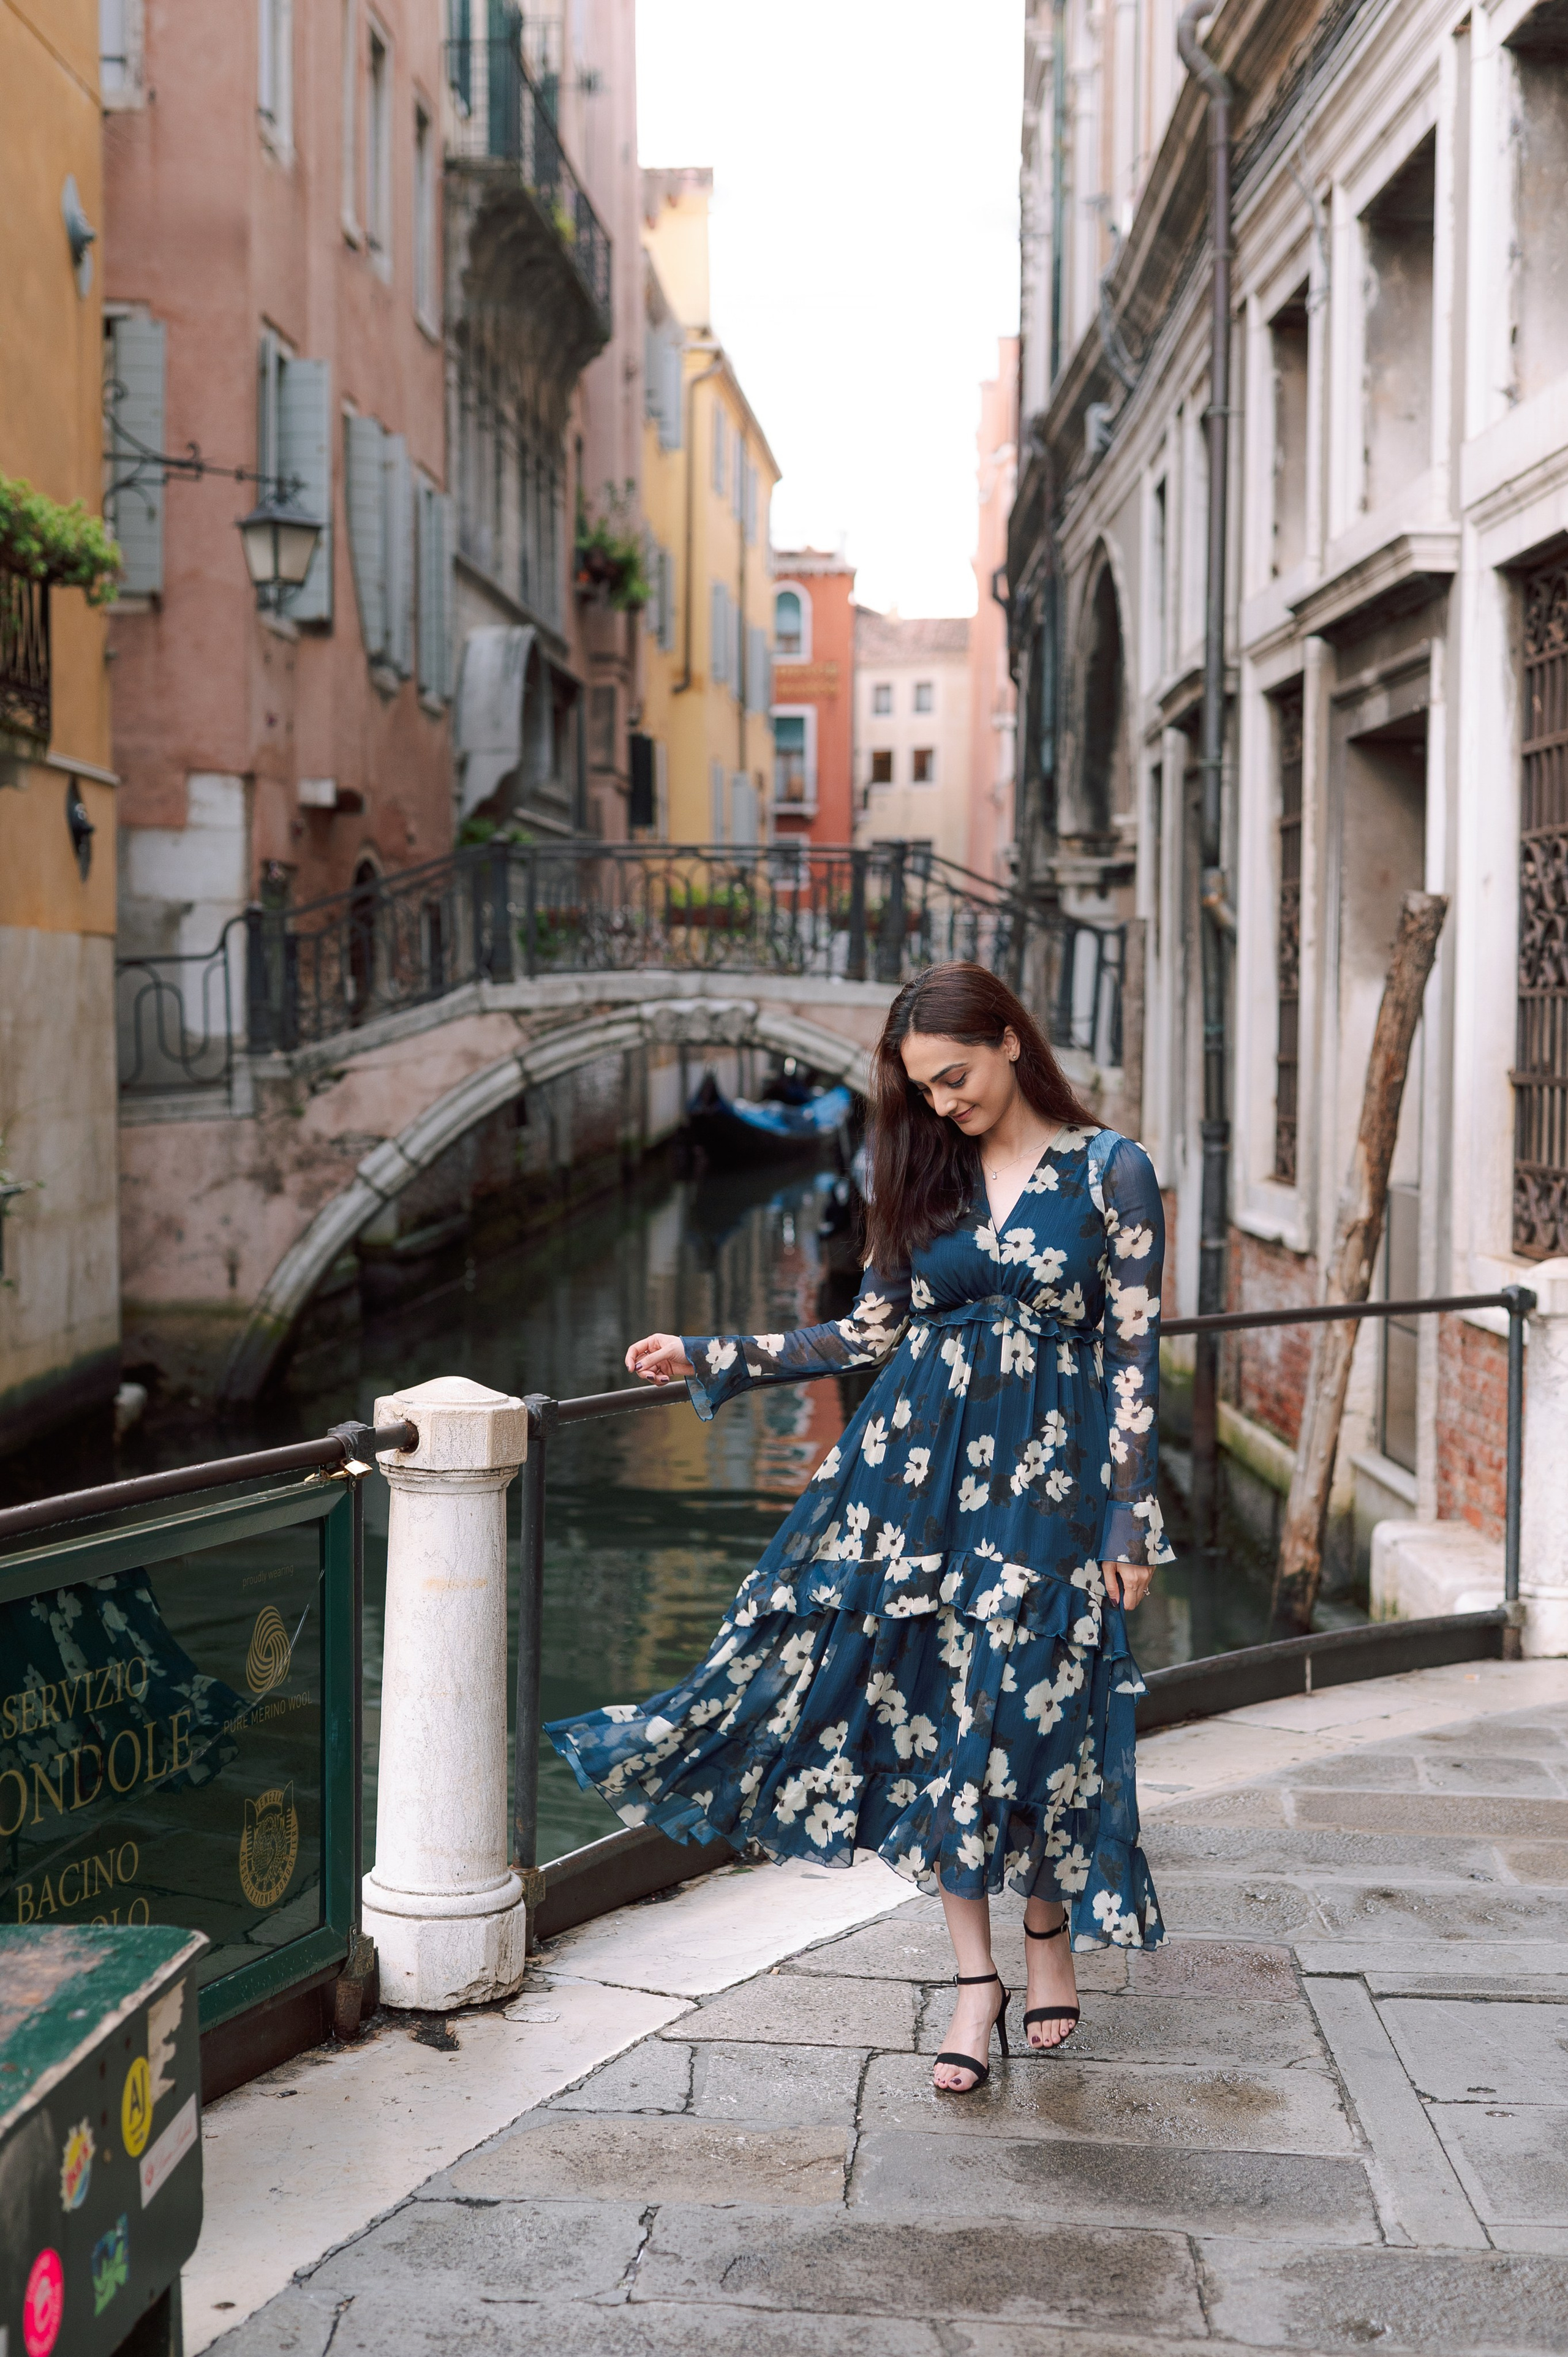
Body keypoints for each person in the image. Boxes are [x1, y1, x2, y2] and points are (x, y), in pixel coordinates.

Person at [547, 961, 1172, 2095]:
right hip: (915, 1489)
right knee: (943, 1713)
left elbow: (1132, 1353)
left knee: (1040, 1709)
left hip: (1055, 1487)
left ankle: (1046, 1936)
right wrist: (714, 1359)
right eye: (924, 1089)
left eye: (955, 1077)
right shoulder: (920, 1171)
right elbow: (863, 1335)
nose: (943, 1104)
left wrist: (1129, 1519)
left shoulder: (1112, 1171)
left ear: (1008, 1041)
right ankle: (975, 1977)